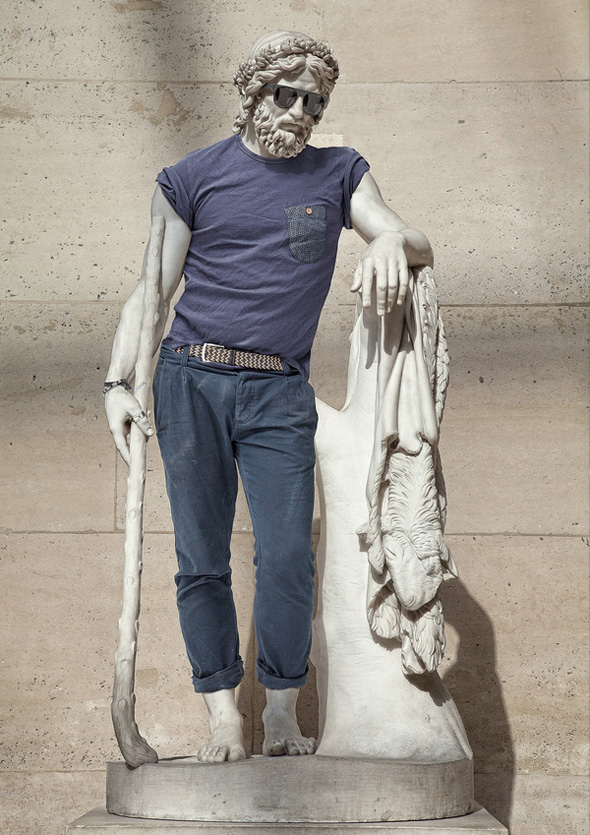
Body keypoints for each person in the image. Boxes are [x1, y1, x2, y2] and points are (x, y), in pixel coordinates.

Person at [103, 30, 434, 764]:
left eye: (316, 103)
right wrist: (118, 382)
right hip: (190, 377)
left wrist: (391, 242)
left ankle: (281, 711)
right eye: (289, 96)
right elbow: (151, 293)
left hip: (280, 387)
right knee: (201, 557)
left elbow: (409, 236)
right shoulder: (190, 178)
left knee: (287, 554)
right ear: (254, 94)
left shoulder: (340, 173)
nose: (301, 113)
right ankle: (223, 715)